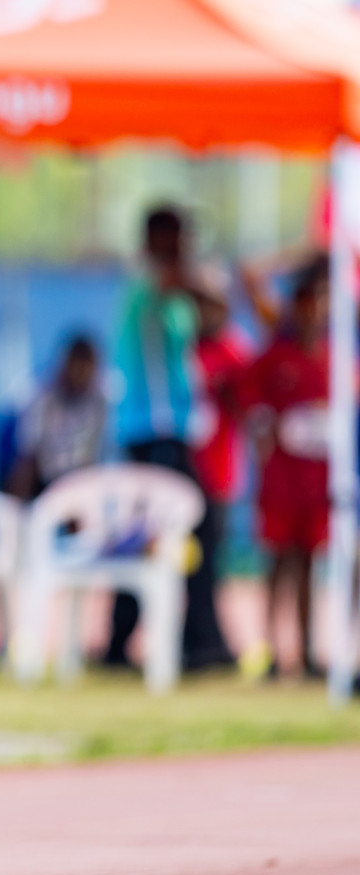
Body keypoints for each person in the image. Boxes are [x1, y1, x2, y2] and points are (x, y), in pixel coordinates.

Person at [101, 206, 227, 672]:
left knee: (162, 533)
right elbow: (206, 291)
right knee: (186, 527)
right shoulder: (151, 279)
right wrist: (203, 274)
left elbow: (217, 314)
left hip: (168, 430)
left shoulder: (173, 294)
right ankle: (196, 640)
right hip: (153, 432)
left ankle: (147, 639)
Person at [241, 255, 332, 679]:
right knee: (278, 563)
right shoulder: (276, 355)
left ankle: (310, 650)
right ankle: (272, 650)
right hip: (281, 478)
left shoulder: (334, 358)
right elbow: (249, 401)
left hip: (318, 480)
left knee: (312, 567)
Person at [187, 265, 252, 670]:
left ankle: (207, 639)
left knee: (210, 561)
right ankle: (193, 637)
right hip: (185, 469)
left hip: (219, 472)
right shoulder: (185, 348)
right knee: (187, 561)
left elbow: (246, 408)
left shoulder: (233, 349)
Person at [6, 334, 107, 501]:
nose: (80, 374)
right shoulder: (43, 399)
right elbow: (26, 459)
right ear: (64, 365)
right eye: (76, 366)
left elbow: (99, 458)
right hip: (46, 483)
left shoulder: (101, 402)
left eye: (86, 367)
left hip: (83, 483)